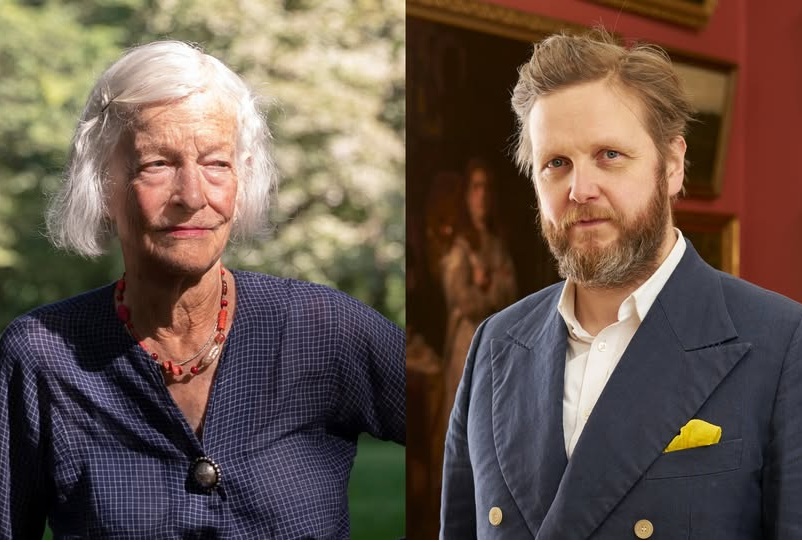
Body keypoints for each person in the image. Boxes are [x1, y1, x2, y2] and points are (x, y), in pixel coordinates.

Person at [0, 40, 405, 539]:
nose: (192, 196)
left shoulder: (323, 329)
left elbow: (481, 435)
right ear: (103, 183)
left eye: (216, 163)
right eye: (157, 165)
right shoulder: (43, 357)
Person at [440, 29, 802, 540]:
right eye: (556, 164)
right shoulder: (494, 344)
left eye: (609, 155)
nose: (580, 190)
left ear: (672, 165)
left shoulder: (784, 343)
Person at [440, 159, 517, 412]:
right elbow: (464, 301)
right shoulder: (459, 247)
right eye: (475, 187)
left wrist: (487, 284)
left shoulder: (497, 243)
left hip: (494, 344)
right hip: (466, 343)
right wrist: (494, 287)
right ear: (466, 195)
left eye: (486, 188)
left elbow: (512, 295)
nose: (481, 195)